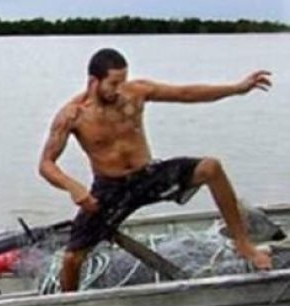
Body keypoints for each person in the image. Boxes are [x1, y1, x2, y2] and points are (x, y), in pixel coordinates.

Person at [38, 48, 273, 292]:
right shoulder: (72, 115)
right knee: (71, 259)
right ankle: (70, 305)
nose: (119, 89)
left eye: (123, 81)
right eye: (113, 83)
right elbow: (46, 164)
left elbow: (186, 93)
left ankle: (244, 244)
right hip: (110, 188)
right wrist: (73, 187)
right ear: (93, 81)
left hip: (148, 176)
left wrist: (237, 88)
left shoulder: (136, 93)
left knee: (210, 167)